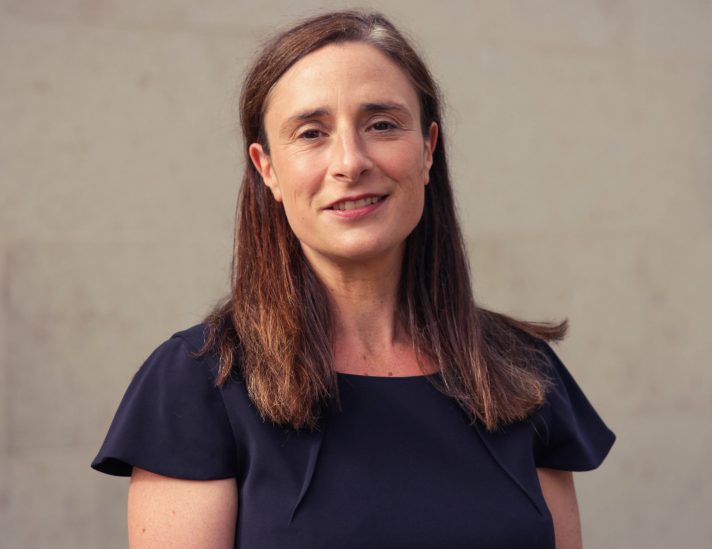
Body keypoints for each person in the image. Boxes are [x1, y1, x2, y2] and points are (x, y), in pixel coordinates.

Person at [92, 10, 615, 548]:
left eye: (382, 124)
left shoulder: (522, 374)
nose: (350, 161)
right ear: (267, 168)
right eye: (311, 133)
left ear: (429, 147)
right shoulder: (200, 383)